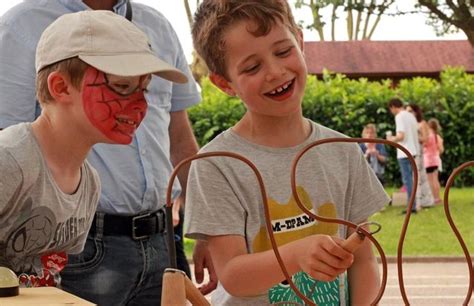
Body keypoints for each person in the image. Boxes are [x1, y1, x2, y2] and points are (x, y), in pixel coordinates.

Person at [0, 1, 216, 304]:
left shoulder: (88, 182)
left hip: (161, 237)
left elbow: (48, 275)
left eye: (145, 89)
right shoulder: (10, 162)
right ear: (60, 87)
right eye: (122, 86)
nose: (140, 106)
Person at [184, 1, 390, 304]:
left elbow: (363, 262)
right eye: (252, 67)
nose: (275, 72)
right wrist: (296, 254)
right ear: (224, 83)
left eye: (283, 51)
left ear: (300, 40)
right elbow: (233, 275)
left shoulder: (342, 151)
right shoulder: (216, 164)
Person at [387, 98, 419, 213]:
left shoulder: (399, 116)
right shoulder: (411, 116)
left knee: (407, 180)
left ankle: (411, 206)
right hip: (413, 150)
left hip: (404, 151)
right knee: (412, 179)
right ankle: (414, 204)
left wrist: (391, 139)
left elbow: (401, 136)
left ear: (393, 107)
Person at [406, 104, 435, 208]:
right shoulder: (409, 124)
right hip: (410, 151)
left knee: (419, 177)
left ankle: (422, 201)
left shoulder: (421, 123)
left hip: (418, 151)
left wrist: (415, 137)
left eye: (410, 111)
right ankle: (417, 201)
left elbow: (425, 139)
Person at [424, 118, 444, 204]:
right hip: (436, 160)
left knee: (430, 180)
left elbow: (423, 145)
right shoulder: (438, 137)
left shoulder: (428, 136)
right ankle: (437, 197)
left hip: (428, 161)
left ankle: (432, 198)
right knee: (436, 179)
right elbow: (441, 149)